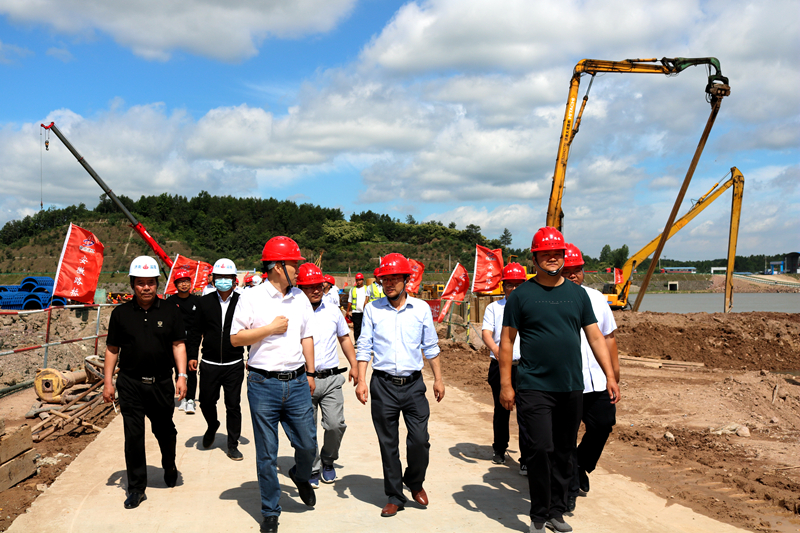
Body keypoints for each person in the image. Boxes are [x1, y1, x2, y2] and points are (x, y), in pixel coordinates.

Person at [499, 227, 620, 533]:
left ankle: (556, 511)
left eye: (557, 253)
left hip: (571, 387)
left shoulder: (578, 295)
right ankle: (538, 514)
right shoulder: (521, 296)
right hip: (534, 386)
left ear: (564, 257)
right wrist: (506, 384)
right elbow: (507, 341)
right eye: (545, 254)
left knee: (564, 451)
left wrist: (610, 375)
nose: (552, 258)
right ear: (534, 258)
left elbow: (596, 337)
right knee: (540, 448)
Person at [230, 236, 317, 533]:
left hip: (297, 382)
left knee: (308, 444)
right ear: (278, 266)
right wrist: (269, 329)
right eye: (294, 264)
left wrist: (311, 373)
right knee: (267, 453)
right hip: (262, 383)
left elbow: (307, 336)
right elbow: (236, 338)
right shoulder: (251, 297)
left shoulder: (300, 298)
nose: (298, 270)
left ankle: (300, 476)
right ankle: (270, 511)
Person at [355, 253, 445, 518]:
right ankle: (395, 495)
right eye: (385, 279)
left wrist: (438, 379)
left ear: (406, 280)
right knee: (388, 443)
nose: (389, 283)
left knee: (420, 440)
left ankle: (414, 481)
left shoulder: (421, 309)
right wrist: (361, 380)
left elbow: (431, 346)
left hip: (414, 385)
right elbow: (364, 346)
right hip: (383, 385)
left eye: (395, 278)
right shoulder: (373, 309)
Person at [102, 256, 188, 509]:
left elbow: (178, 345)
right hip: (130, 383)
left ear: (157, 284)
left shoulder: (171, 311)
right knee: (133, 436)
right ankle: (136, 488)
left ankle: (169, 465)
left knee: (164, 430)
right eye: (140, 283)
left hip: (161, 383)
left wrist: (181, 376)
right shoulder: (121, 314)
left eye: (151, 282)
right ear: (132, 285)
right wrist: (108, 382)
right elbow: (112, 349)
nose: (146, 287)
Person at [560, 244, 619, 513]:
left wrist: (613, 373)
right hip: (566, 381)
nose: (573, 275)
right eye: (568, 270)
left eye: (577, 270)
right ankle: (570, 488)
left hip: (597, 378)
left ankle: (581, 464)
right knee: (566, 435)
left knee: (603, 424)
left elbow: (608, 337)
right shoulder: (550, 300)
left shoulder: (596, 298)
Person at [295, 263, 359, 487]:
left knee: (335, 424)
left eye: (319, 285)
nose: (316, 290)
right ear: (300, 288)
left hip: (331, 379)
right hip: (302, 380)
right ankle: (312, 467)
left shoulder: (333, 311)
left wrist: (354, 364)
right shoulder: (293, 312)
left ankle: (328, 460)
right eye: (309, 286)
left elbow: (344, 338)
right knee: (307, 429)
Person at [187, 258, 246, 461]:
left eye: (227, 277)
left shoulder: (242, 302)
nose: (223, 280)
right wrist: (192, 355)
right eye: (219, 276)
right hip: (209, 363)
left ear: (234, 279)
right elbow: (195, 331)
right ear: (213, 279)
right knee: (206, 402)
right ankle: (212, 425)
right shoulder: (204, 302)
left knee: (233, 405)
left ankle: (232, 445)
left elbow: (251, 329)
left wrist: (251, 355)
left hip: (234, 363)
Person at [481, 262, 532, 474]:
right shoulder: (494, 308)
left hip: (525, 367)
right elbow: (486, 332)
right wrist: (498, 350)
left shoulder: (531, 307)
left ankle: (526, 458)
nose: (514, 288)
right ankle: (499, 449)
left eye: (518, 284)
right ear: (503, 287)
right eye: (509, 284)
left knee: (527, 413)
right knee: (501, 410)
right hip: (500, 366)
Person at [166, 267, 201, 415]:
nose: (184, 284)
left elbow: (199, 324)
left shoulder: (197, 301)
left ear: (190, 283)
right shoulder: (170, 302)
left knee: (191, 370)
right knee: (178, 370)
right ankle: (182, 398)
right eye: (180, 282)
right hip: (175, 341)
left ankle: (191, 399)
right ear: (175, 284)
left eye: (186, 281)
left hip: (192, 340)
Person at [346, 273, 368, 341]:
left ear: (363, 280)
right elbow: (350, 301)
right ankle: (357, 341)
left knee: (365, 327)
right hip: (356, 311)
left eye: (360, 280)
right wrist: (347, 311)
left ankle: (364, 341)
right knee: (356, 327)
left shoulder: (367, 288)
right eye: (357, 280)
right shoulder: (352, 289)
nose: (358, 282)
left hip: (365, 311)